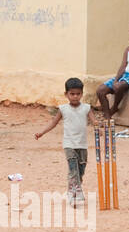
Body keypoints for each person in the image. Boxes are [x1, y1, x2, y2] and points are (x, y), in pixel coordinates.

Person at [34, 77, 97, 206]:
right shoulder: (63, 109)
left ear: (82, 94)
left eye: (78, 94)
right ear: (66, 94)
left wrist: (101, 128)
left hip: (82, 145)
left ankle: (71, 190)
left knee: (81, 170)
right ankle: (77, 193)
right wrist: (42, 132)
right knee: (73, 169)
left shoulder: (87, 108)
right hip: (69, 144)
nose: (75, 97)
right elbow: (53, 123)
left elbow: (94, 121)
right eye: (72, 94)